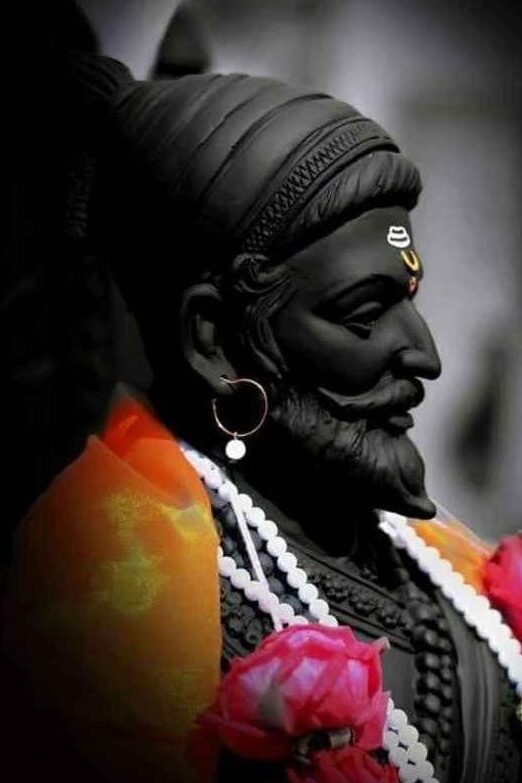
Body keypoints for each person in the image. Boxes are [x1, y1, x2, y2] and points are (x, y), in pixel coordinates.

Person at [2, 53, 521, 783]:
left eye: (410, 300)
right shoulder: (114, 599)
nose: (425, 356)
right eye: (364, 315)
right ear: (214, 340)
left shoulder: (435, 565)